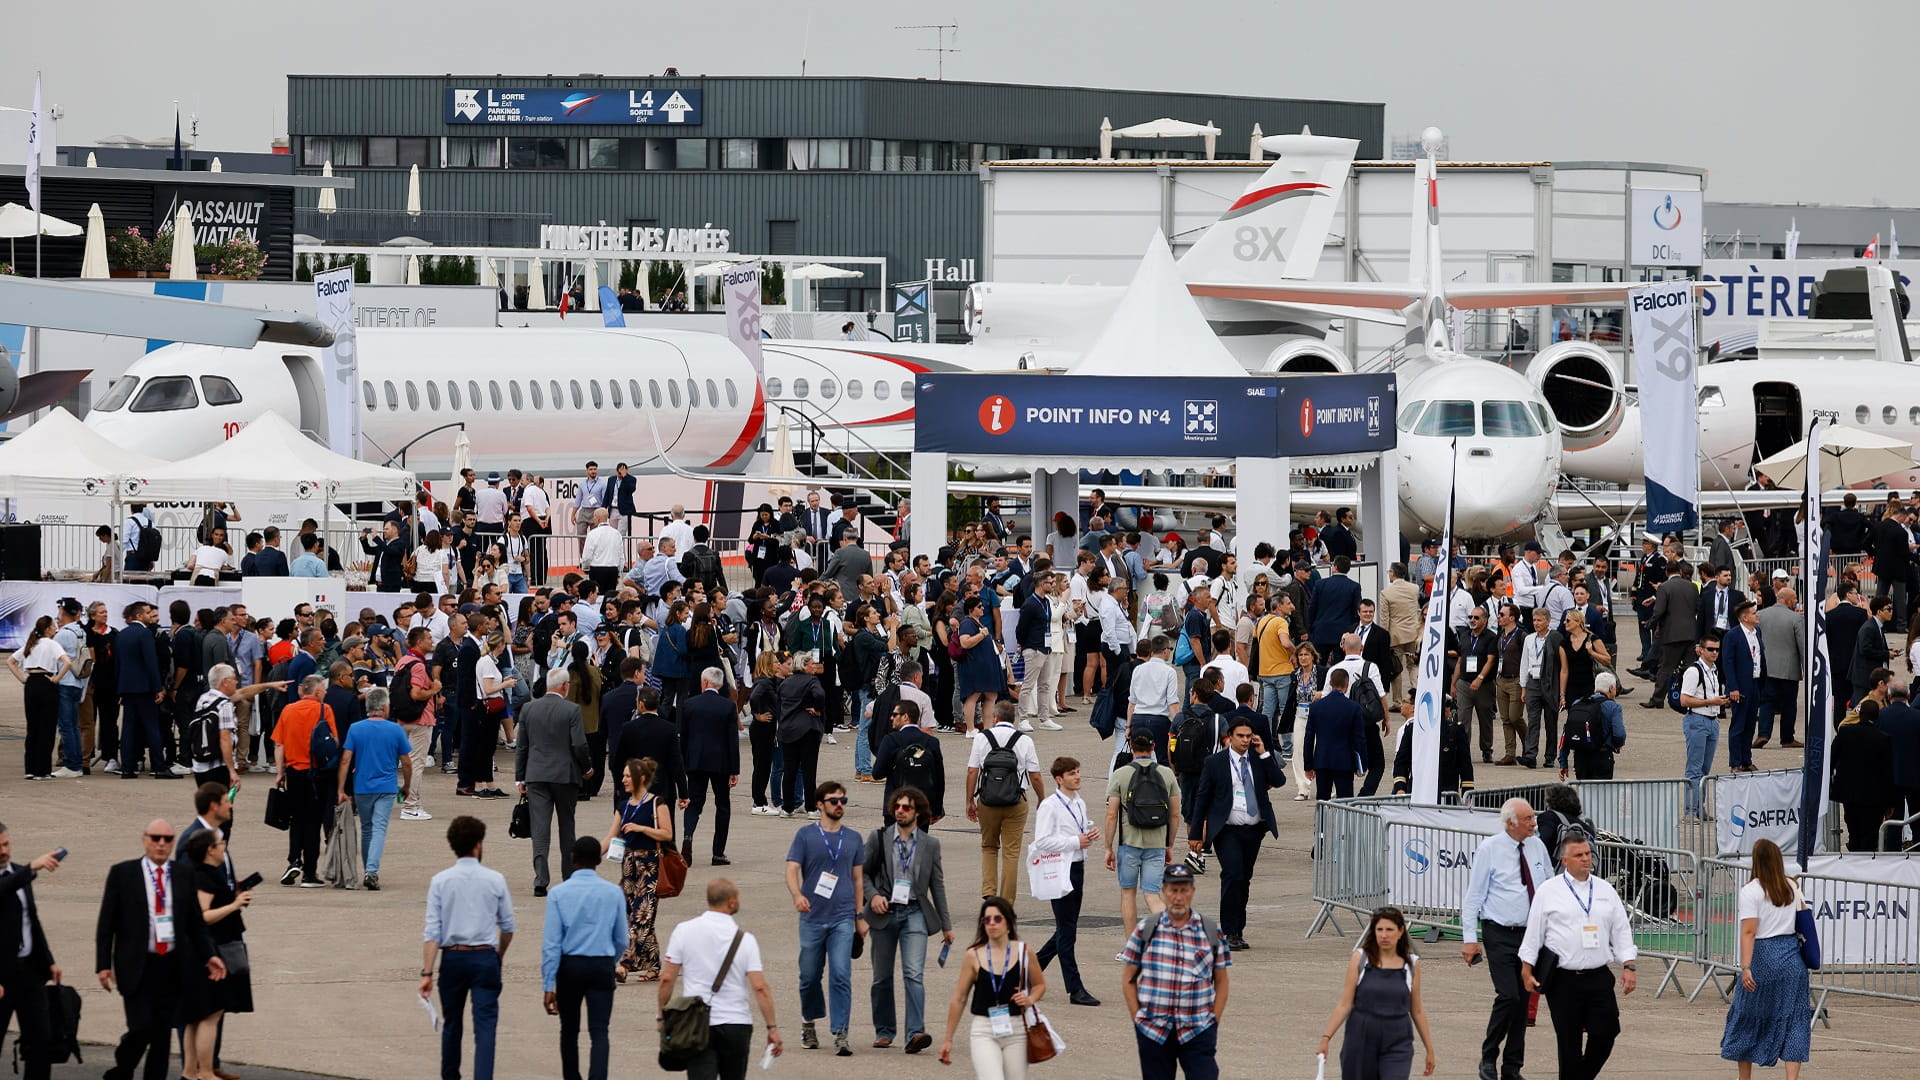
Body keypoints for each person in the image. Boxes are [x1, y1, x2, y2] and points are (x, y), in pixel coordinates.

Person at [95, 820, 228, 1080]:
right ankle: (123, 1067)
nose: (161, 844)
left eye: (167, 839)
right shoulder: (122, 874)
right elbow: (106, 925)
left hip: (171, 965)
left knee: (162, 1035)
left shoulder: (183, 874)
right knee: (141, 1028)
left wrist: (209, 955)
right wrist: (102, 965)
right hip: (136, 964)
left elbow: (195, 923)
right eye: (155, 838)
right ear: (144, 840)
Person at [1519, 831, 1637, 1080]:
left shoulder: (1605, 890)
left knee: (1606, 1032)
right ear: (1565, 860)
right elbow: (1534, 933)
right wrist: (1527, 968)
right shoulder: (1549, 891)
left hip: (1598, 976)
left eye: (1588, 854)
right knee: (1569, 1042)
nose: (1586, 859)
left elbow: (1621, 930)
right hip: (1563, 980)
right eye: (1579, 855)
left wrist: (1628, 965)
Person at [1459, 798, 1553, 1080]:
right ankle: (1488, 1056)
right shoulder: (1490, 849)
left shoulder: (1537, 846)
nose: (1534, 823)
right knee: (1508, 996)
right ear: (1511, 822)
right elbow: (1473, 896)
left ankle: (1513, 1067)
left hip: (1530, 934)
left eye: (1533, 818)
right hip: (1498, 932)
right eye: (1528, 819)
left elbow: (1548, 885)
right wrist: (1469, 938)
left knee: (1523, 1001)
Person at [658, 878, 784, 1080]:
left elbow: (666, 979)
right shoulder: (745, 940)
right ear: (731, 901)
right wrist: (772, 1028)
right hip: (736, 1024)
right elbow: (760, 988)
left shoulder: (684, 931)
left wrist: (661, 1017)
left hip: (698, 1024)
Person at [861, 786, 954, 1053]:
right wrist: (873, 896)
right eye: (898, 807)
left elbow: (937, 886)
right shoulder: (879, 838)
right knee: (881, 977)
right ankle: (884, 1030)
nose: (900, 811)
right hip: (884, 912)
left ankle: (915, 1033)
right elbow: (863, 874)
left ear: (918, 813)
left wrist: (946, 926)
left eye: (906, 808)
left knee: (914, 974)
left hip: (915, 913)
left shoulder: (930, 845)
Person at [421, 816, 515, 1080]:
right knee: (485, 1026)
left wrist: (427, 972)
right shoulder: (495, 879)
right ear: (478, 844)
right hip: (485, 955)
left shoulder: (440, 881)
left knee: (452, 1024)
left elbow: (432, 931)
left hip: (453, 957)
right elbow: (507, 926)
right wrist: (499, 956)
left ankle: (451, 1075)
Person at [1119, 863, 1231, 1079]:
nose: (1178, 897)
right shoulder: (1147, 929)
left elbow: (1222, 981)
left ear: (1192, 892)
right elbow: (1128, 979)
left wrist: (1213, 1021)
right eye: (1173, 891)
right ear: (1164, 892)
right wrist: (1138, 1019)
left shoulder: (1210, 931)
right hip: (1154, 1031)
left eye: (1184, 890)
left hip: (1197, 1029)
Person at [1185, 717, 1283, 951]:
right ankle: (1229, 931)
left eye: (1249, 736)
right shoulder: (1215, 762)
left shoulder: (1258, 759)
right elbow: (1202, 799)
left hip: (1254, 829)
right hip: (1227, 830)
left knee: (1244, 878)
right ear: (1230, 737)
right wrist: (1196, 833)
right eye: (1241, 736)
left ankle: (1238, 928)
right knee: (1232, 875)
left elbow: (1279, 781)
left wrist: (1264, 752)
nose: (1246, 740)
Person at [1718, 838, 1812, 1078]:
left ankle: (1745, 1077)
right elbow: (1804, 919)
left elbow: (1749, 931)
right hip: (1792, 958)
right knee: (1795, 1021)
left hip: (1763, 957)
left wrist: (1746, 966)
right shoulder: (1791, 886)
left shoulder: (1751, 891)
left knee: (1747, 1016)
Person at [786, 780, 866, 1056]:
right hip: (812, 917)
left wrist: (860, 915)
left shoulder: (854, 838)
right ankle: (809, 1022)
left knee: (841, 974)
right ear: (820, 805)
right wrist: (797, 895)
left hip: (843, 917)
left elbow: (858, 880)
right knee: (809, 976)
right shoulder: (805, 835)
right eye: (834, 800)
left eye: (843, 800)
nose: (840, 805)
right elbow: (791, 869)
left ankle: (841, 1032)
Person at [540, 836, 626, 1080]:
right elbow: (622, 939)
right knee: (600, 1031)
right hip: (601, 965)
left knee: (569, 1030)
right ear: (599, 860)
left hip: (570, 967)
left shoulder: (558, 893)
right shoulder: (613, 893)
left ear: (572, 859)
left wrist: (548, 984)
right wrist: (611, 963)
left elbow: (551, 944)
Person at [1318, 906, 1437, 1080]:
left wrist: (1429, 1049)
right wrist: (1326, 1037)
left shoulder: (1411, 964)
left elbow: (1417, 1010)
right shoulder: (1360, 959)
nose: (1384, 935)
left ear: (1401, 931)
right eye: (1379, 930)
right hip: (1360, 1039)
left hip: (1398, 1041)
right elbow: (1345, 1003)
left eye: (1389, 930)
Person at [936, 896, 1045, 1078]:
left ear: (1009, 923)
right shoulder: (973, 955)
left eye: (997, 918)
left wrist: (1030, 999)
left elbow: (1040, 984)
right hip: (984, 1030)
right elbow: (959, 998)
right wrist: (948, 1040)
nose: (992, 924)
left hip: (1016, 1029)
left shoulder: (1024, 951)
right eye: (987, 919)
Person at [1031, 756, 1102, 1006]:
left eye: (1078, 771)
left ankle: (1030, 969)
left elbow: (1077, 830)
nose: (1078, 776)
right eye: (1072, 773)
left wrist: (1089, 834)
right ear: (1059, 779)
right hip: (1061, 869)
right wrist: (1074, 842)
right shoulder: (1050, 806)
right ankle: (1075, 988)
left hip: (1078, 866)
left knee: (1066, 926)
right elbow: (1042, 841)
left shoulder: (1078, 802)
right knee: (1067, 930)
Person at [516, 669, 592, 896]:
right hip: (565, 775)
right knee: (567, 826)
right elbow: (579, 744)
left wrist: (520, 777)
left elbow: (522, 746)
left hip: (536, 775)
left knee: (540, 829)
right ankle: (569, 876)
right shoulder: (572, 710)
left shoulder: (529, 709)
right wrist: (587, 768)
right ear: (564, 686)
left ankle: (540, 880)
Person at [183, 828, 250, 1080]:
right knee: (211, 1014)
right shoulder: (205, 876)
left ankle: (190, 1072)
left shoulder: (202, 874)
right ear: (210, 850)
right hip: (212, 949)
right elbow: (203, 915)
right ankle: (206, 1072)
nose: (224, 847)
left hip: (204, 948)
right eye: (220, 844)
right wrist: (234, 905)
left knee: (194, 1016)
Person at [966, 701, 1046, 899]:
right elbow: (1035, 775)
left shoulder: (982, 738)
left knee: (989, 846)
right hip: (1015, 800)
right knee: (1011, 852)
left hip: (988, 799)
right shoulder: (1024, 740)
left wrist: (969, 800)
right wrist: (1041, 798)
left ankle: (988, 892)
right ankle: (1007, 901)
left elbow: (972, 770)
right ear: (1013, 719)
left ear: (995, 718)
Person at [338, 687, 414, 890]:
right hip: (387, 786)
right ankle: (371, 871)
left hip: (362, 786)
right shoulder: (395, 729)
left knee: (367, 829)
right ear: (384, 707)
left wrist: (340, 788)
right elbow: (407, 762)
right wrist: (406, 786)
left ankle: (368, 869)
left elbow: (346, 760)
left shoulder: (356, 728)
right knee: (379, 827)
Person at [0, 828, 61, 1080]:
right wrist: (31, 868)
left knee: (41, 1040)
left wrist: (49, 961)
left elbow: (31, 922)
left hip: (28, 972)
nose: (4, 851)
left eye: (6, 844)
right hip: (1, 976)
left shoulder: (17, 873)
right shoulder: (20, 876)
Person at [606, 756, 673, 980]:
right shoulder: (623, 806)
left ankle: (624, 964)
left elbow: (667, 833)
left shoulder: (657, 803)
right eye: (623, 775)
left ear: (640, 778)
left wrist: (641, 828)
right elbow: (610, 837)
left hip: (650, 865)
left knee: (641, 916)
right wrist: (586, 858)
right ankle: (653, 965)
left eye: (627, 776)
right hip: (628, 866)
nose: (623, 780)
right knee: (632, 915)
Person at [272, 675, 339, 888]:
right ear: (317, 692)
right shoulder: (324, 710)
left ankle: (294, 860)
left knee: (296, 819)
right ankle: (310, 873)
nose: (326, 693)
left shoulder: (288, 710)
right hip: (317, 772)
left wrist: (279, 772)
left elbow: (279, 745)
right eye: (324, 690)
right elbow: (334, 741)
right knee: (313, 821)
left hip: (293, 771)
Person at [680, 667, 740, 867]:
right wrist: (735, 769)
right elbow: (733, 740)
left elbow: (684, 737)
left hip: (695, 761)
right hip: (721, 763)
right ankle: (718, 852)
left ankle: (688, 835)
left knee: (694, 802)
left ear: (704, 682)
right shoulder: (728, 707)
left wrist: (683, 762)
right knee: (722, 805)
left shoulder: (689, 705)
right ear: (720, 684)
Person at [9, 614, 73, 781]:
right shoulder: (52, 644)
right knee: (47, 727)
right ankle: (43, 769)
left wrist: (23, 678)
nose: (55, 628)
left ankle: (30, 768)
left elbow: (10, 661)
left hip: (31, 683)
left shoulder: (31, 644)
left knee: (33, 727)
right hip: (47, 682)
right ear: (47, 629)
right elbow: (67, 662)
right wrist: (56, 678)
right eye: (53, 626)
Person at [1830, 698, 1897, 851]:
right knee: (1871, 835)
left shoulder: (1845, 732)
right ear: (1877, 716)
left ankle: (1854, 859)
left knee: (1854, 831)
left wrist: (1831, 785)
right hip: (1873, 797)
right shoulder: (1883, 738)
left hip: (1849, 793)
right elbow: (1888, 772)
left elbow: (1832, 759)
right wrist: (1890, 802)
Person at [1679, 633, 1731, 822]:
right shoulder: (1694, 671)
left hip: (1711, 721)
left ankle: (1698, 808)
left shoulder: (1713, 670)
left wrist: (1719, 702)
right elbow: (1684, 700)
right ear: (1700, 650)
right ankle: (1690, 811)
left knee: (1705, 769)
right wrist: (1711, 701)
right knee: (1694, 768)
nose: (1715, 652)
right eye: (1710, 649)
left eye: (1717, 649)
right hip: (1697, 721)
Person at [1304, 667, 1368, 799]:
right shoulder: (1353, 707)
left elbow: (1309, 738)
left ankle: (1322, 820)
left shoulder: (1316, 706)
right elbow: (1359, 738)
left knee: (1322, 799)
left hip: (1322, 759)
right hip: (1344, 760)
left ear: (1330, 684)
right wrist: (1362, 763)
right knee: (1345, 801)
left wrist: (1308, 765)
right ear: (1347, 684)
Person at [1557, 671, 1628, 781]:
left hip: (1580, 757)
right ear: (1611, 689)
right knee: (1602, 796)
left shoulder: (1578, 703)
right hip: (1602, 757)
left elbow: (1567, 733)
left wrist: (1563, 762)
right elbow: (1619, 735)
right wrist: (1616, 745)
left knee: (1584, 795)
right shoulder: (1613, 707)